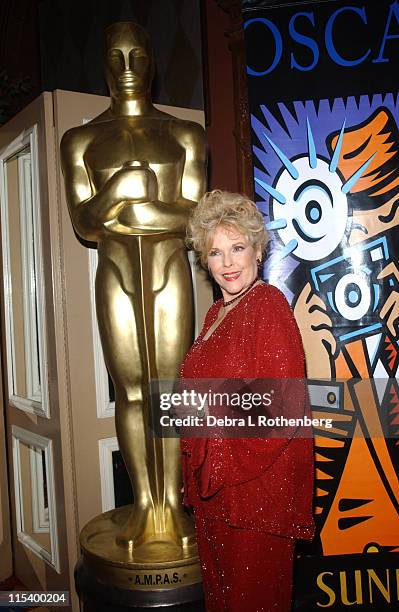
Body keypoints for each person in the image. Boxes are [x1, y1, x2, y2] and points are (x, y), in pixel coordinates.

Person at [60, 22, 206, 550]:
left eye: (137, 56)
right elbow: (85, 223)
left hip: (170, 273)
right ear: (103, 62)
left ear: (152, 63)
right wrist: (122, 188)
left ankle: (175, 503)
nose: (126, 68)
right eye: (116, 56)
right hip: (116, 273)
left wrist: (129, 210)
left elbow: (196, 218)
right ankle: (146, 504)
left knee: (171, 390)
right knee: (131, 390)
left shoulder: (184, 134)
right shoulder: (81, 140)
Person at [179, 190, 315, 611]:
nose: (228, 263)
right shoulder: (214, 315)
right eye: (216, 253)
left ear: (258, 250)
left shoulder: (267, 305)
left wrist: (214, 454)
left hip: (257, 492)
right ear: (205, 261)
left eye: (237, 248)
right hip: (216, 492)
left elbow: (282, 409)